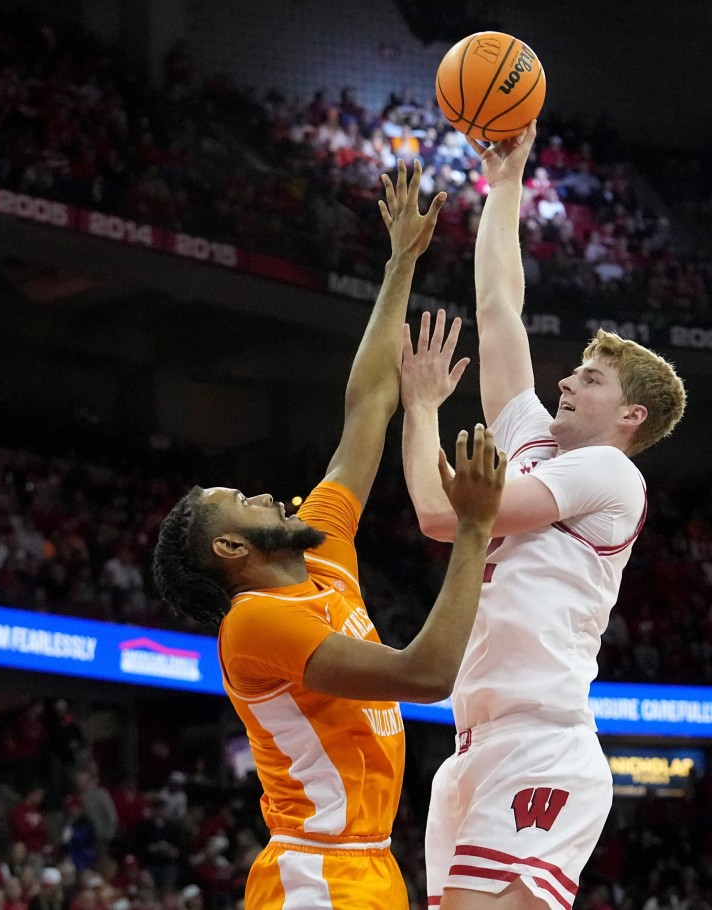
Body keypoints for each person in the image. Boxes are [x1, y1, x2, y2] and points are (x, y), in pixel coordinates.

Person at [152, 160, 505, 909]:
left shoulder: (323, 553)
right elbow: (424, 677)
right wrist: (473, 527)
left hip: (371, 867)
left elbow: (368, 407)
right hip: (315, 874)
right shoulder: (253, 624)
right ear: (230, 550)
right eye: (240, 499)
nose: (265, 492)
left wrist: (401, 263)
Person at [399, 120, 687, 910]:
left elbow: (440, 515)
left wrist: (420, 407)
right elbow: (499, 308)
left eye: (589, 380)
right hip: (469, 747)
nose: (566, 383)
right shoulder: (530, 441)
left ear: (631, 415)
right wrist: (504, 183)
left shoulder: (610, 477)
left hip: (541, 742)